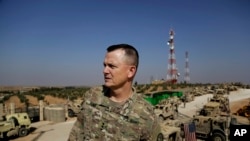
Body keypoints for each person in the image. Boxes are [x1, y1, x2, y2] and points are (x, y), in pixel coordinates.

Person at [68, 44, 162, 141]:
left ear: (131, 71)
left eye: (111, 66)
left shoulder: (146, 115)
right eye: (105, 65)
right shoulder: (93, 96)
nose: (104, 71)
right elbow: (76, 134)